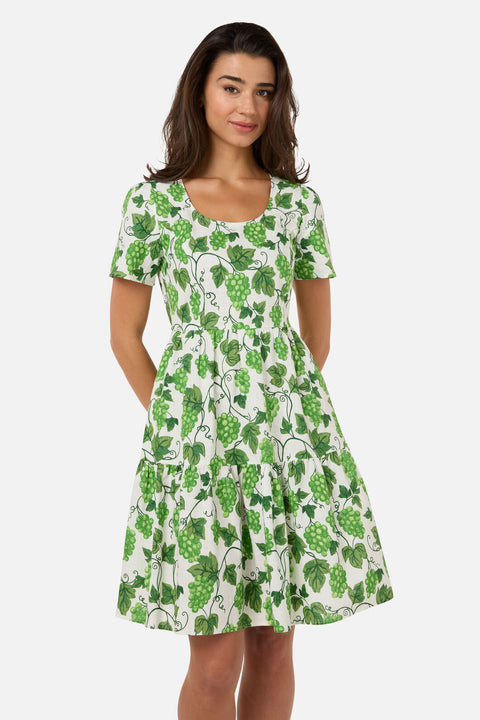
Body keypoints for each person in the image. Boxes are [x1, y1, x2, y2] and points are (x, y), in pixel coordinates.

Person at [108, 21, 394, 720]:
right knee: (214, 658)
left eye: (264, 92)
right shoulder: (153, 206)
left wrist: (277, 419)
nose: (248, 106)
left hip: (285, 446)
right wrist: (181, 426)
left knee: (273, 644)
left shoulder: (297, 205)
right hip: (197, 450)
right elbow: (124, 337)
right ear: (199, 91)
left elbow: (315, 341)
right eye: (232, 87)